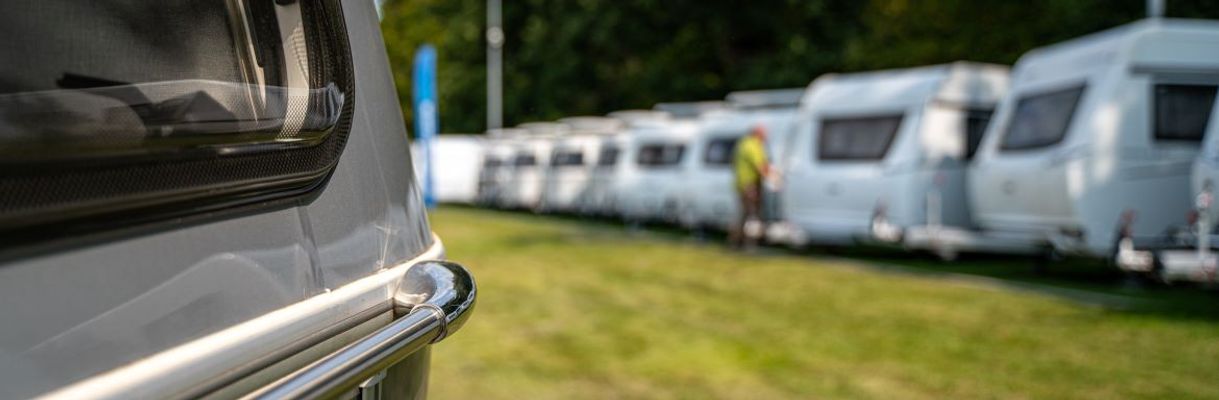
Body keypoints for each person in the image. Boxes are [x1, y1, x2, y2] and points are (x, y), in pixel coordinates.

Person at [729, 125, 771, 249]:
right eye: (765, 134)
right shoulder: (753, 145)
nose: (766, 137)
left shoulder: (743, 144)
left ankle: (736, 242)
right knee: (752, 214)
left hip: (742, 183)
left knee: (743, 214)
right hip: (750, 184)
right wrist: (773, 178)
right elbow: (760, 165)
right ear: (758, 134)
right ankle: (750, 243)